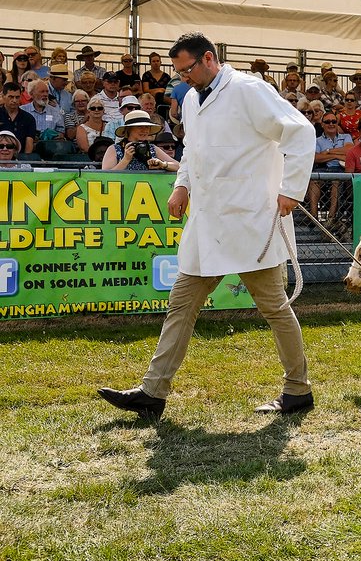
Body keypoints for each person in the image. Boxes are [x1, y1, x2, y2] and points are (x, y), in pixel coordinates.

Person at [98, 31, 316, 420]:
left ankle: (298, 390)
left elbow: (300, 131)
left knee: (275, 309)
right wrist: (181, 186)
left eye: (186, 70)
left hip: (249, 219)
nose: (182, 79)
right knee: (180, 305)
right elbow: (193, 152)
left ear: (209, 58)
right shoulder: (193, 100)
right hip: (207, 221)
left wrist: (292, 190)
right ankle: (152, 392)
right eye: (178, 73)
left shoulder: (250, 90)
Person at [101, 110, 180, 172]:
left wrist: (163, 164)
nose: (144, 130)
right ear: (129, 129)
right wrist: (126, 160)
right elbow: (105, 175)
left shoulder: (152, 148)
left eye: (147, 127)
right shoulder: (114, 149)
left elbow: (179, 166)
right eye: (139, 127)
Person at [0, 83, 37, 152]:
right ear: (3, 96)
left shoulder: (28, 118)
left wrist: (25, 161)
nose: (14, 100)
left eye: (17, 97)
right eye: (11, 97)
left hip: (21, 158)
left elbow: (29, 142)